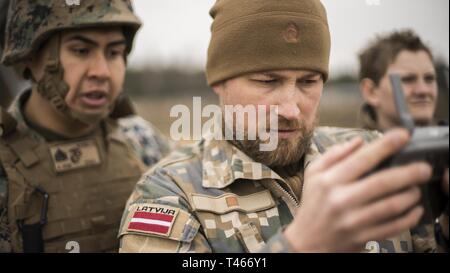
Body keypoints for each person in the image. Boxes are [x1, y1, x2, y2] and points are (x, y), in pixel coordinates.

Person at [119, 0, 448, 253]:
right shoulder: (170, 194)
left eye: (308, 81)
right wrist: (301, 244)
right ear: (219, 82)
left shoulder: (368, 155)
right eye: (267, 81)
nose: (291, 109)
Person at [0, 0, 171, 253]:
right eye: (81, 50)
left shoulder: (142, 141)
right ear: (31, 55)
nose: (102, 71)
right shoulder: (5, 163)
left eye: (113, 53)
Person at [358, 30, 440, 131]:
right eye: (407, 79)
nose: (423, 90)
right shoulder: (351, 146)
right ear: (371, 92)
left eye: (429, 79)